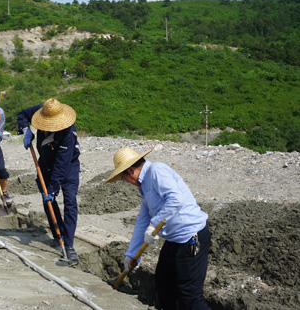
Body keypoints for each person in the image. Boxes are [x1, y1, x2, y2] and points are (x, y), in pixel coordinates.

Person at [106, 147, 211, 310]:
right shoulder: (144, 185)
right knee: (164, 284)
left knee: (189, 295)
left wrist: (155, 224)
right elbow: (143, 219)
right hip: (174, 240)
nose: (124, 181)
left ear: (131, 172)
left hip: (191, 236)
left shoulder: (156, 171)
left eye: (122, 178)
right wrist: (132, 254)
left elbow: (176, 199)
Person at [17, 98, 80, 264]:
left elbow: (62, 164)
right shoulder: (43, 110)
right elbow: (22, 114)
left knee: (70, 201)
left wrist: (52, 189)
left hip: (68, 166)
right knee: (48, 201)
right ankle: (57, 233)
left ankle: (68, 244)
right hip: (45, 163)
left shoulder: (68, 134)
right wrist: (25, 129)